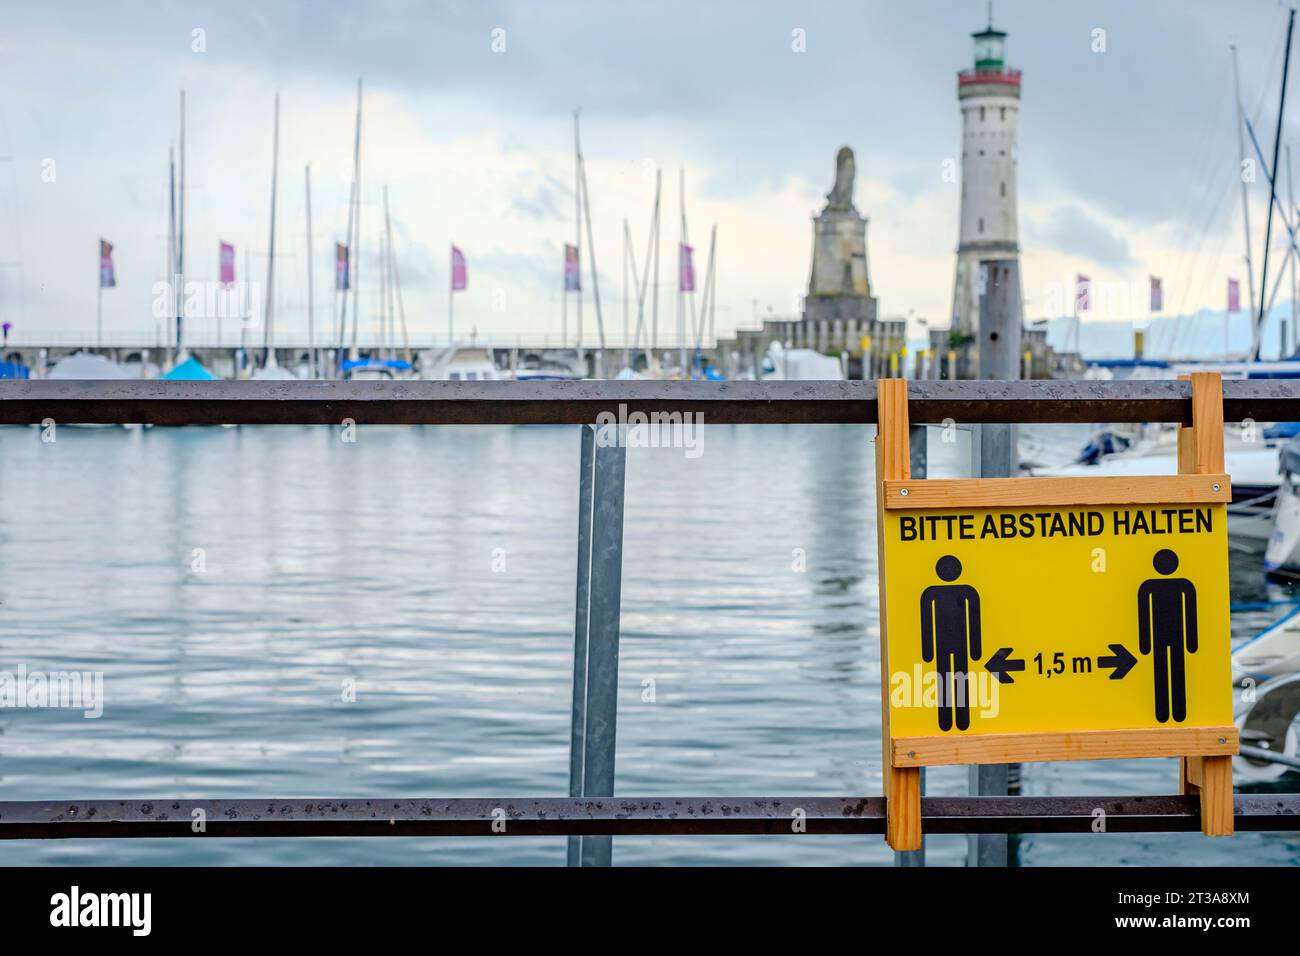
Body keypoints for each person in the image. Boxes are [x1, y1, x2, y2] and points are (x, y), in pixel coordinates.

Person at [919, 555, 982, 732]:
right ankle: (945, 720)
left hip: (961, 644)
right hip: (942, 645)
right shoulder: (931, 593)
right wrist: (928, 650)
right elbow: (926, 621)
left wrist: (975, 650)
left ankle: (963, 719)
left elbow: (974, 620)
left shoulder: (968, 591)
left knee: (962, 679)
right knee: (944, 680)